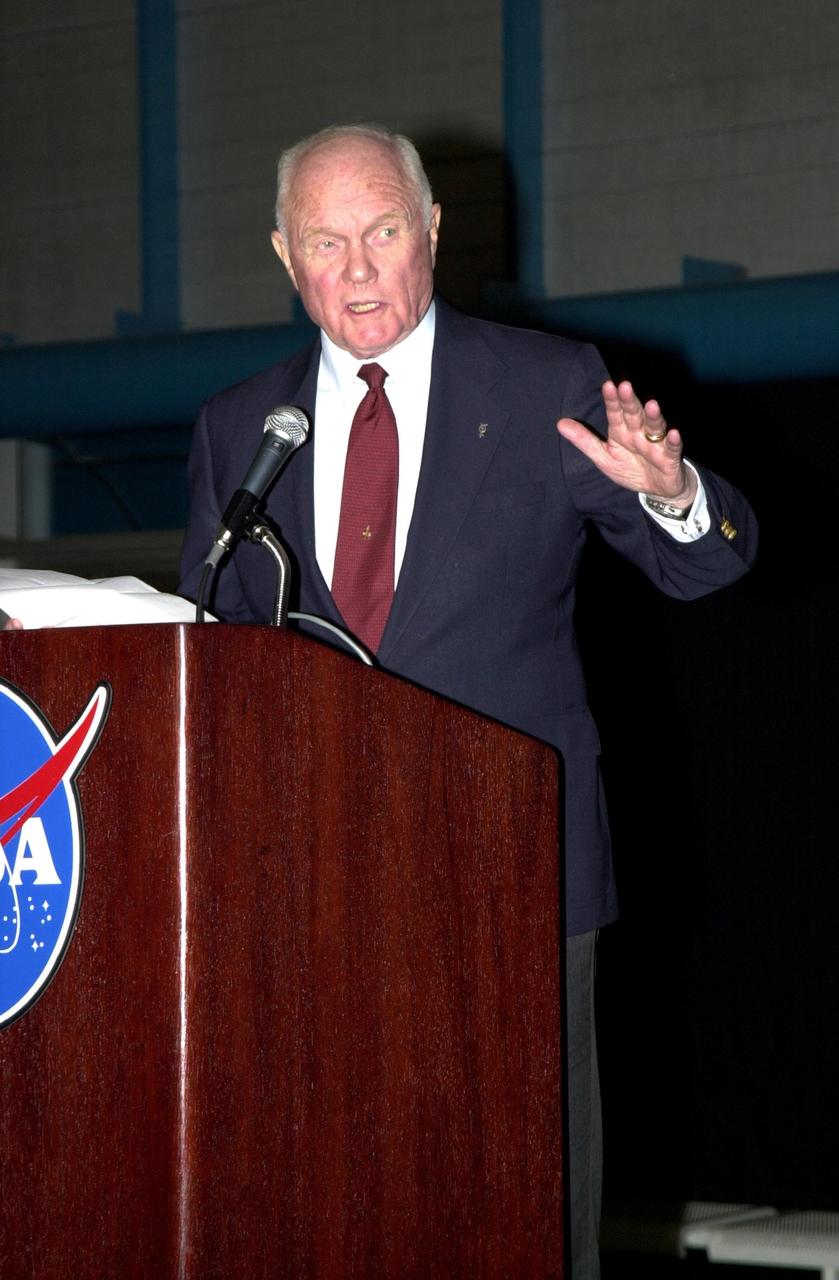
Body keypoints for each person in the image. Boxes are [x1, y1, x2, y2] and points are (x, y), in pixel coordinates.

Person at [179, 123, 757, 1278]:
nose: (357, 268)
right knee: (337, 1204)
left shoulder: (544, 383)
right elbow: (210, 655)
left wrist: (674, 493)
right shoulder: (239, 426)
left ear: (433, 232)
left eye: (383, 232)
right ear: (283, 254)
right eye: (325, 242)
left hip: (514, 867)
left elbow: (704, 565)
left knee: (526, 1205)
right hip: (309, 884)